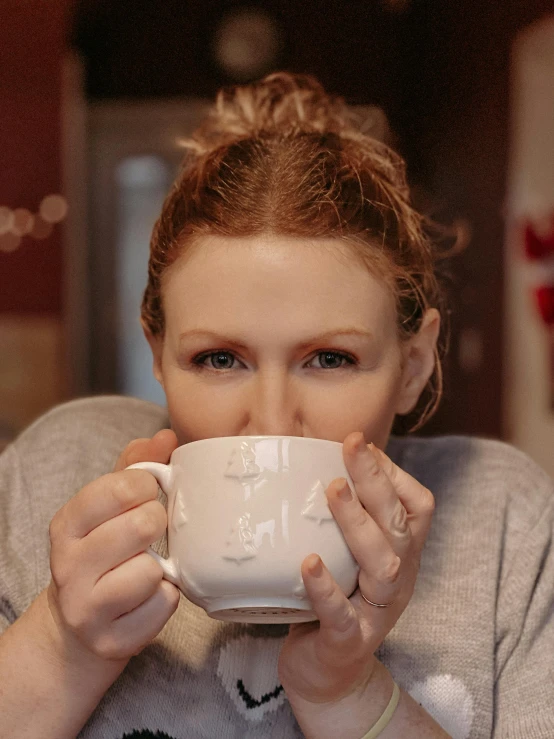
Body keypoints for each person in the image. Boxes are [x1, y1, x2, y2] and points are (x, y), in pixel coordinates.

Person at [0, 73, 552, 739]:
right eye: (218, 359)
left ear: (413, 365)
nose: (269, 419)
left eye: (329, 359)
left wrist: (347, 692)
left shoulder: (502, 522)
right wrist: (65, 643)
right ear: (157, 352)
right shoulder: (59, 470)